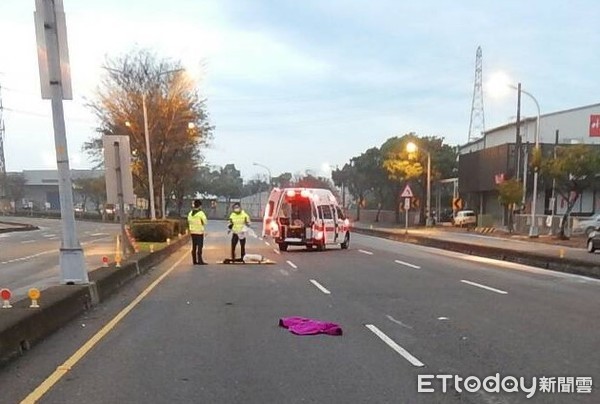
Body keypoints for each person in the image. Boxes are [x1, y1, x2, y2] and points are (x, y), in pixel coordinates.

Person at [188, 199, 207, 265]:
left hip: (192, 232)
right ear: (200, 206)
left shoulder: (190, 213)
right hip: (199, 232)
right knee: (200, 246)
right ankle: (200, 260)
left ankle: (194, 260)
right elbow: (205, 221)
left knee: (194, 246)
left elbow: (189, 221)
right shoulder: (201, 213)